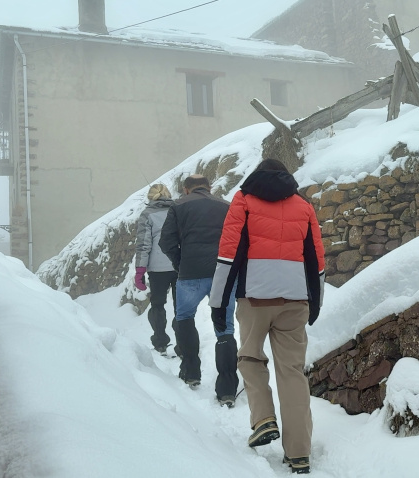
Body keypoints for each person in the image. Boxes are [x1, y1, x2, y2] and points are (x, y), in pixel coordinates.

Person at [209, 158, 325, 475]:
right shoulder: (304, 206)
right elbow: (316, 258)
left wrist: (218, 302)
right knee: (292, 373)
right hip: (295, 300)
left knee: (250, 357)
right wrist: (316, 302)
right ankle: (299, 453)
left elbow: (228, 253)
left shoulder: (244, 201)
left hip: (255, 297)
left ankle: (263, 419)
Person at [159, 174, 238, 407]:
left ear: (186, 189)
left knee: (184, 318)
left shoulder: (178, 206)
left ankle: (190, 371)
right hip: (222, 273)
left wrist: (180, 262)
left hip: (190, 272)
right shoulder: (225, 206)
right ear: (209, 187)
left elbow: (166, 241)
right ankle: (227, 389)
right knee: (225, 328)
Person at [134, 183, 178, 355]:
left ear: (150, 197)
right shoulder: (178, 210)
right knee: (181, 307)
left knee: (158, 305)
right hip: (179, 264)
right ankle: (183, 343)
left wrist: (140, 270)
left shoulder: (147, 215)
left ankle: (160, 342)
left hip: (157, 268)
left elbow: (144, 244)